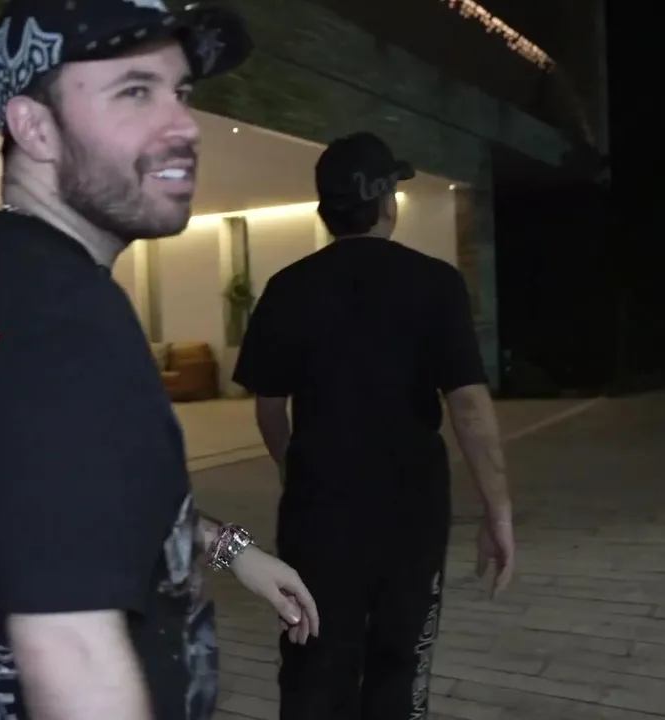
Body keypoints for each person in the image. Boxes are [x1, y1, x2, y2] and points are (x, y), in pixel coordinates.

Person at [0, 1, 319, 719]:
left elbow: (63, 501)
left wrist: (233, 551)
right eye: (134, 91)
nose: (184, 125)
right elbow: (74, 656)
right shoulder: (69, 325)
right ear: (34, 127)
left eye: (180, 91)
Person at [232, 131, 516, 720]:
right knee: (400, 661)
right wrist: (498, 511)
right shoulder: (436, 282)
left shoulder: (287, 288)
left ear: (325, 210)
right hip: (411, 509)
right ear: (386, 201)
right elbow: (467, 404)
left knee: (312, 657)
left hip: (319, 509)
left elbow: (269, 406)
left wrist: (293, 468)